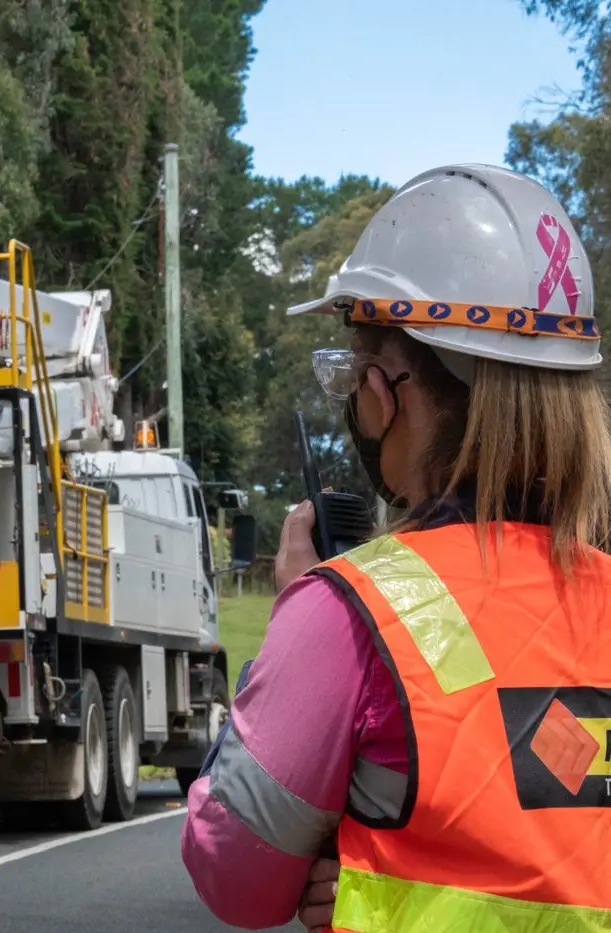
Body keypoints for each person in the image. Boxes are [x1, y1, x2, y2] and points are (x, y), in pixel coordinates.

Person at [180, 163, 611, 932]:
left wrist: (366, 876)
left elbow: (233, 874)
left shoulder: (347, 612)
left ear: (385, 389)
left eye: (349, 368)